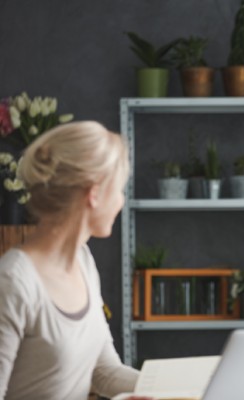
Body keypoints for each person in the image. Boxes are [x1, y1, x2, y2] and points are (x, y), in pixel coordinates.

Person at [0, 121, 150, 400]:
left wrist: (182, 389)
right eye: (118, 190)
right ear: (93, 195)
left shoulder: (83, 263)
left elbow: (103, 370)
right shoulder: (13, 282)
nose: (121, 201)